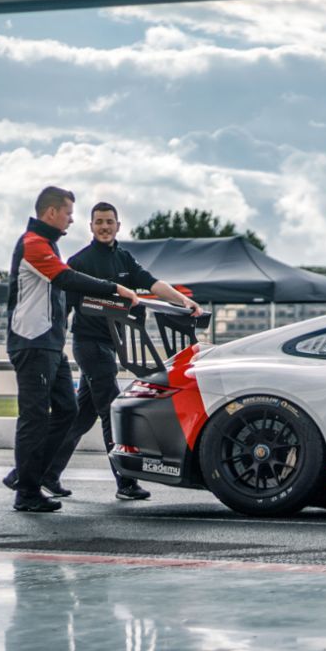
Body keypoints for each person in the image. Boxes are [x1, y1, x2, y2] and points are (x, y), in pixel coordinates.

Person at [43, 201, 202, 501]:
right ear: (90, 226)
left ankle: (44, 474)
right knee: (110, 411)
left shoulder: (124, 257)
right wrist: (52, 347)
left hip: (110, 345)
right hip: (89, 345)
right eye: (99, 222)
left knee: (81, 415)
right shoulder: (79, 261)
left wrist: (184, 301)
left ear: (118, 225)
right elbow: (63, 309)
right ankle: (125, 482)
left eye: (109, 222)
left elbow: (153, 284)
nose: (104, 226)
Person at [3, 186, 141, 513]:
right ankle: (26, 491)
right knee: (35, 418)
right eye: (68, 213)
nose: (70, 219)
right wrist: (115, 289)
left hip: (50, 345)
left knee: (68, 411)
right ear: (51, 212)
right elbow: (66, 279)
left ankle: (26, 476)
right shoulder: (33, 244)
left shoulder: (47, 244)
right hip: (31, 343)